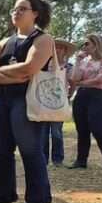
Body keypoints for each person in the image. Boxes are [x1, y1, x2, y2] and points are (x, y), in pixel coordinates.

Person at [0, 0, 55, 203]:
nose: (16, 12)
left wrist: (1, 71)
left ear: (36, 13)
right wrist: (12, 77)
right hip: (0, 100)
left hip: (26, 100)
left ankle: (36, 200)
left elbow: (30, 68)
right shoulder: (5, 42)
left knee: (30, 149)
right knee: (2, 150)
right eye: (14, 9)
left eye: (22, 9)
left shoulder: (43, 40)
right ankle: (2, 197)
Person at [68, 34, 102, 171]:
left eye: (87, 44)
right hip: (81, 96)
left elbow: (99, 80)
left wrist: (80, 83)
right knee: (82, 129)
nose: (84, 47)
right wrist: (77, 61)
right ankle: (81, 161)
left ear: (96, 45)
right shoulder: (84, 62)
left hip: (97, 96)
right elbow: (74, 78)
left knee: (98, 128)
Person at [41, 39, 76, 167]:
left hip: (59, 103)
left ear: (65, 51)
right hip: (44, 101)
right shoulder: (44, 65)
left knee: (56, 132)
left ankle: (57, 160)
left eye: (61, 48)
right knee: (43, 132)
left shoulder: (69, 67)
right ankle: (43, 159)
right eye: (55, 47)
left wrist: (69, 95)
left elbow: (73, 83)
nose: (58, 50)